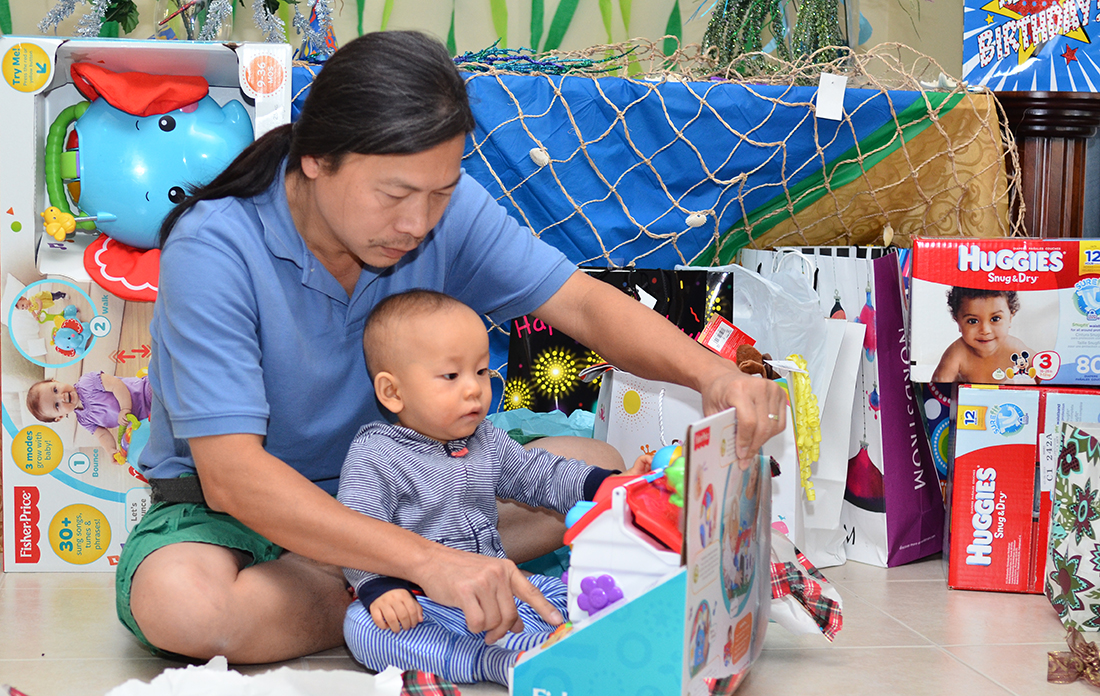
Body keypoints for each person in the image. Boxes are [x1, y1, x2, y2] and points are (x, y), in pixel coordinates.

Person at [117, 30, 786, 665]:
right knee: (183, 604)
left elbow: (580, 302)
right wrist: (428, 560)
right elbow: (235, 478)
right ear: (315, 158)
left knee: (591, 467)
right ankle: (397, 582)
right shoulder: (215, 248)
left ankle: (383, 587)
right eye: (395, 194)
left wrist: (715, 375)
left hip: (409, 490)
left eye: (439, 193)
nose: (416, 224)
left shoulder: (447, 211)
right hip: (237, 514)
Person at [339, 290, 651, 684]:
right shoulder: (376, 454)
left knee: (556, 593)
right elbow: (358, 532)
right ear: (393, 392)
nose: (474, 388)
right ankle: (498, 662)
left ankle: (571, 635)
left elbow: (540, 474)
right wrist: (379, 586)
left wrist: (606, 484)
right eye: (451, 376)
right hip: (423, 602)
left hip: (497, 590)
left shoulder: (484, 439)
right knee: (363, 629)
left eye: (482, 371)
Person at [27, 372, 152, 455]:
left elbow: (116, 385)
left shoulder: (87, 382)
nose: (62, 397)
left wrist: (125, 408)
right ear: (59, 417)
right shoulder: (84, 420)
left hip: (145, 392)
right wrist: (111, 450)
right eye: (57, 405)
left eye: (55, 389)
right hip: (142, 420)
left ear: (56, 381)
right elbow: (102, 435)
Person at [931, 287, 1036, 384]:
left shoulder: (1016, 350)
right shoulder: (957, 353)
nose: (985, 330)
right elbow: (937, 385)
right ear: (958, 321)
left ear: (1010, 318)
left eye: (995, 319)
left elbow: (1046, 373)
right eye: (973, 321)